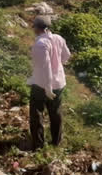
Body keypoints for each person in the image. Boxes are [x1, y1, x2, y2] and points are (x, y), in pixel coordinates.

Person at [28, 15, 71, 150]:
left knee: (36, 114)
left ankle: (38, 145)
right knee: (55, 113)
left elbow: (45, 67)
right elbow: (67, 55)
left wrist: (47, 87)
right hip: (59, 83)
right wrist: (58, 65)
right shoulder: (58, 38)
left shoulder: (40, 44)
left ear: (36, 28)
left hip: (42, 84)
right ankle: (56, 142)